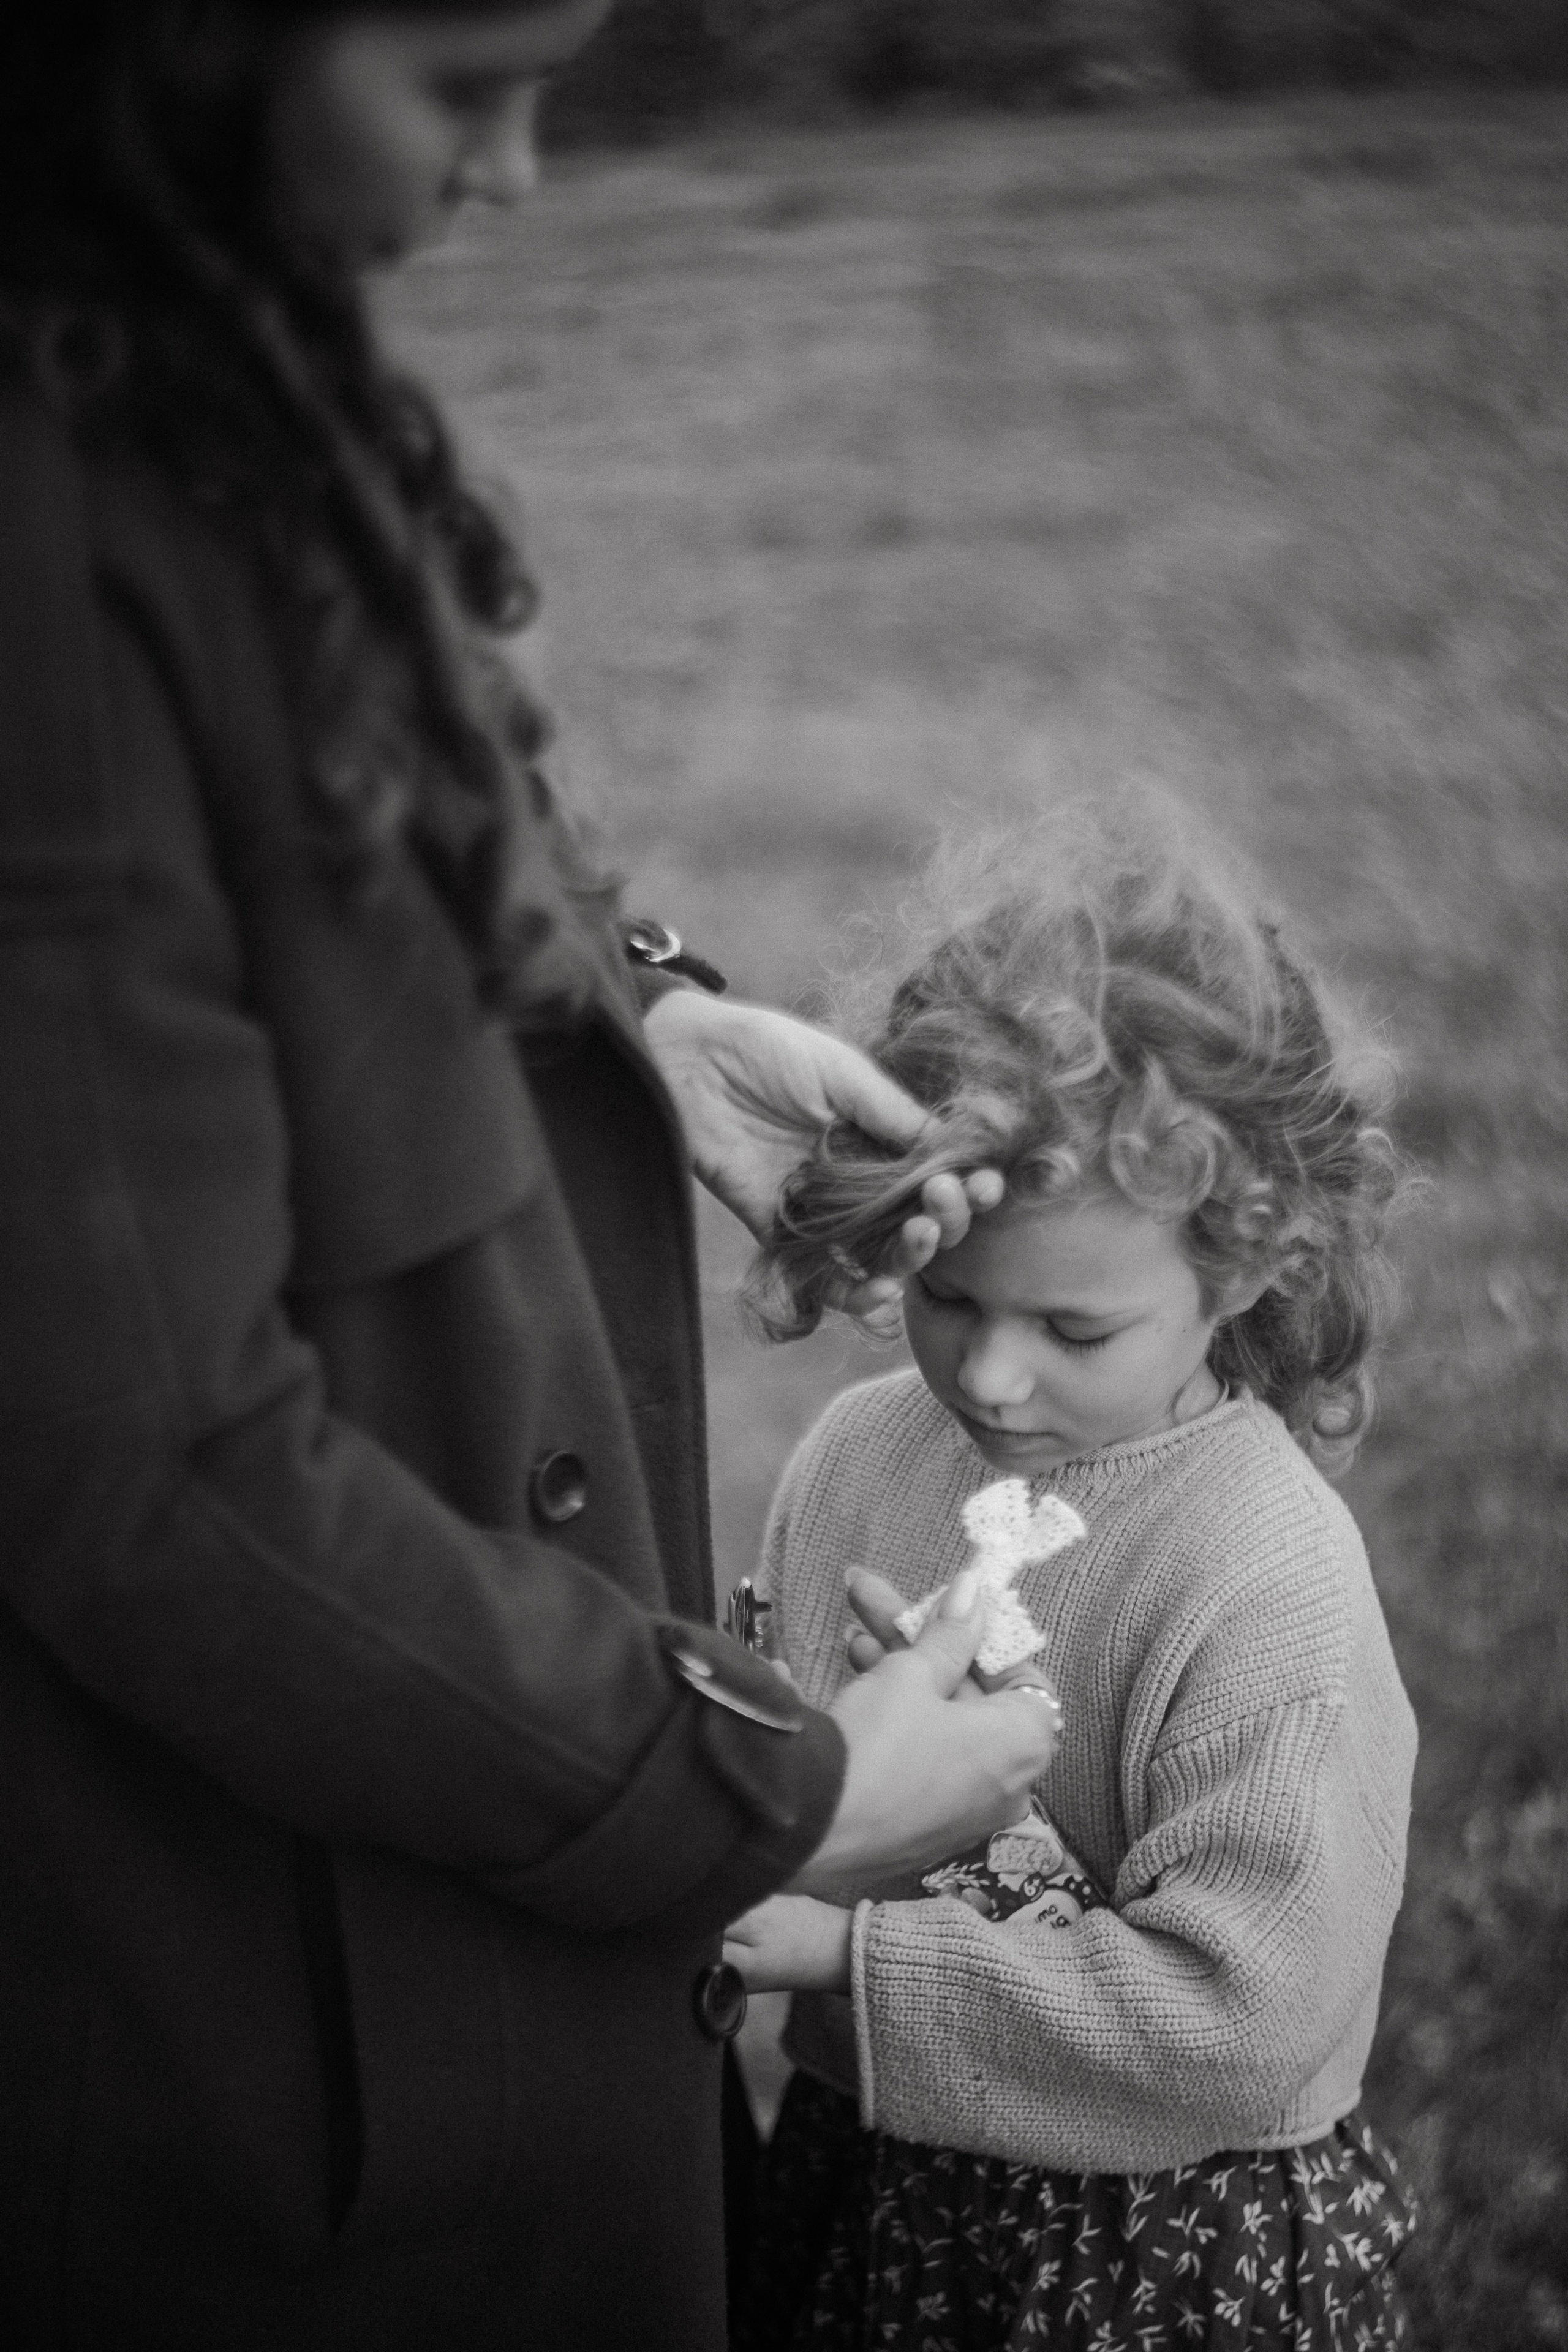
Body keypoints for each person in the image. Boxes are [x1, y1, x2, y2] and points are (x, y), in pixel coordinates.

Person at [0, 6, 1063, 2345]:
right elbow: (142, 1471)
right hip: (305, 2091)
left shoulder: (225, 377)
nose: (522, 177)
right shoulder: (43, 544)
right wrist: (752, 1787)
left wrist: (647, 1017)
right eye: (465, 82)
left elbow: (400, 812)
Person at [725, 812, 1422, 2349]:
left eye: (1073, 1330)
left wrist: (853, 1957)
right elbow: (769, 1730)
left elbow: (1238, 2017)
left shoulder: (1260, 1578)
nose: (989, 1369)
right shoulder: (857, 1457)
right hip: (873, 2183)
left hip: (1150, 2248)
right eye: (947, 1295)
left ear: (1243, 1270)